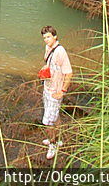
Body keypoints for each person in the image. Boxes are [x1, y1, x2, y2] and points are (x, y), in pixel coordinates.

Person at [40, 25, 72, 160]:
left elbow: (69, 73)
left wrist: (62, 91)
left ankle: (52, 145)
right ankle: (58, 139)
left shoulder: (60, 52)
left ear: (55, 37)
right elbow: (48, 62)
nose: (46, 40)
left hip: (55, 92)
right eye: (44, 38)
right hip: (47, 87)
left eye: (48, 37)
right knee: (55, 116)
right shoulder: (48, 48)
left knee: (47, 122)